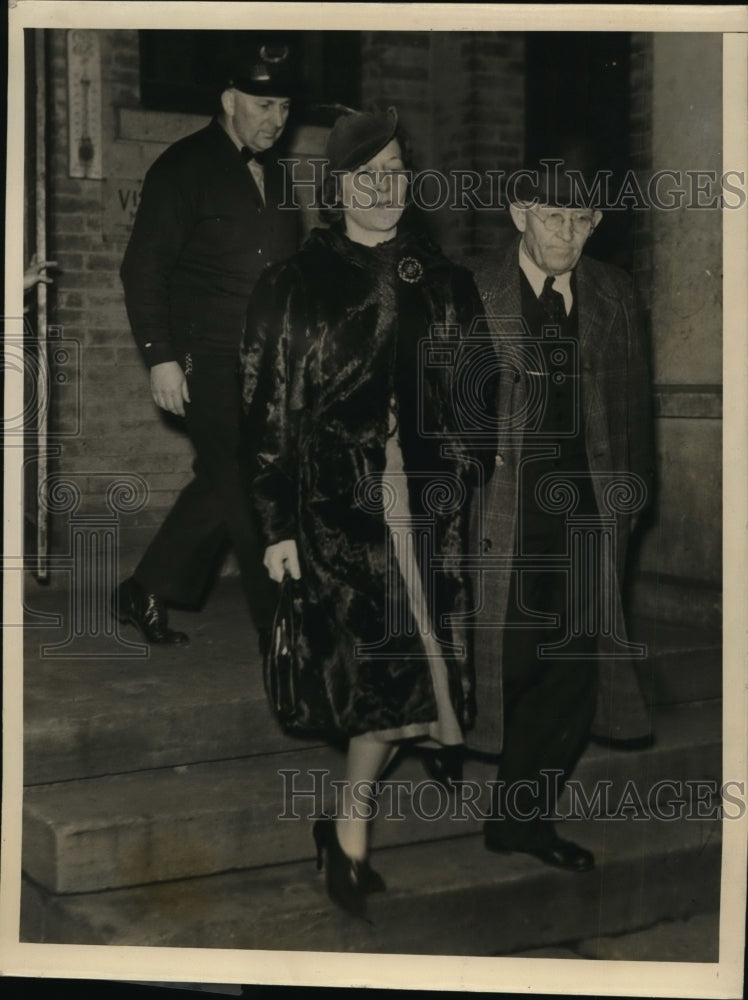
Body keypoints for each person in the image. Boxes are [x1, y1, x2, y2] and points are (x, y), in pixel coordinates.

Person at [241, 108, 493, 918]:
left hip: (426, 513)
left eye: (396, 170)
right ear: (338, 187)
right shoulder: (295, 284)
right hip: (337, 513)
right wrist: (276, 526)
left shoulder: (442, 281)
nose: (385, 188)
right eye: (367, 175)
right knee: (392, 691)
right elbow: (269, 411)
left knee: (416, 698)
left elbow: (476, 391)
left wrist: (464, 462)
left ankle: (342, 832)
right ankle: (347, 838)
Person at [470, 148, 655, 872]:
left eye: (582, 219)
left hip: (584, 510)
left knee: (571, 669)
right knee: (507, 657)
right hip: (502, 512)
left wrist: (629, 509)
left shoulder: (614, 294)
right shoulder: (474, 290)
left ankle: (523, 818)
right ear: (520, 215)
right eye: (552, 216)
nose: (567, 235)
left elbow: (635, 411)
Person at [116, 42, 300, 644]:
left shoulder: (279, 178)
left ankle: (145, 587)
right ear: (229, 100)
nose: (277, 119)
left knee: (227, 480)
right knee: (242, 482)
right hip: (205, 360)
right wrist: (161, 358)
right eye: (264, 103)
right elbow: (143, 270)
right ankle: (279, 626)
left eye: (284, 106)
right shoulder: (181, 167)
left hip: (267, 361)